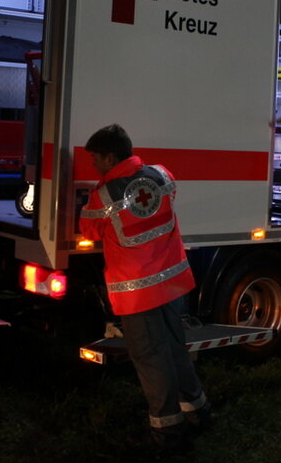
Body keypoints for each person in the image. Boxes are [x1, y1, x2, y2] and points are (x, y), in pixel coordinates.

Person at [79, 124, 209, 451]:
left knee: (151, 359)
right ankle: (198, 411)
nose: (94, 165)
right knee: (174, 349)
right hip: (172, 283)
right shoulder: (161, 175)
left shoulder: (105, 194)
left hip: (137, 293)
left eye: (96, 159)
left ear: (111, 157)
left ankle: (168, 433)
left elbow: (90, 230)